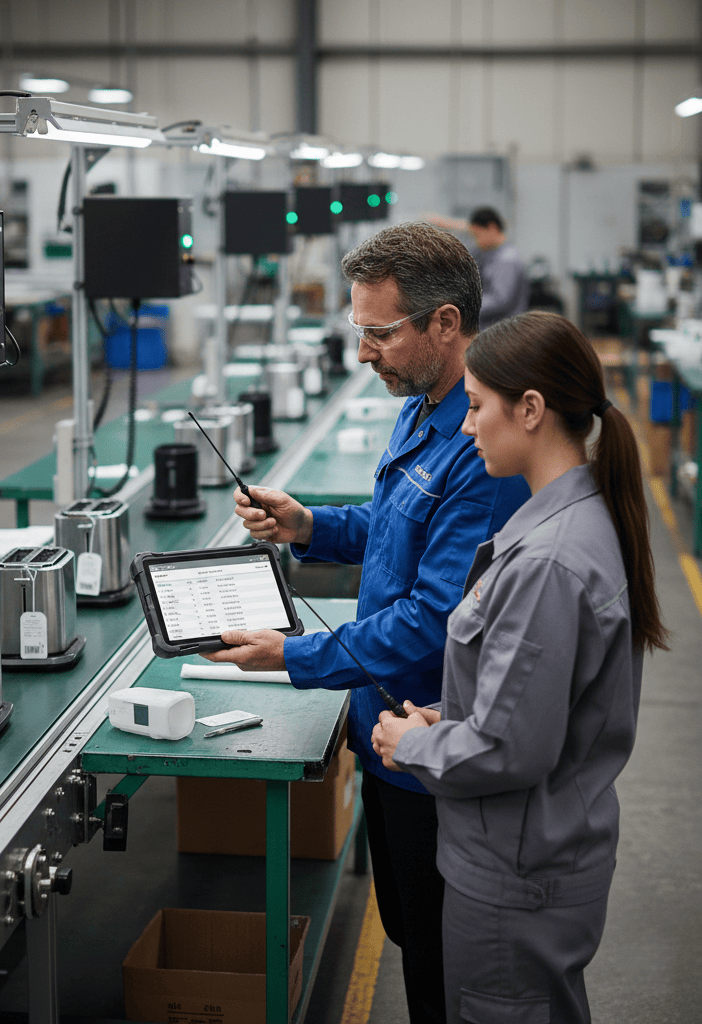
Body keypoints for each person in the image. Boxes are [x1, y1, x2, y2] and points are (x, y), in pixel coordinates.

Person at [203, 222, 531, 1024]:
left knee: (441, 960)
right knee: (414, 935)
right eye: (360, 332)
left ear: (445, 324)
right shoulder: (422, 403)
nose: (363, 353)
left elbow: (432, 619)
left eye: (380, 334)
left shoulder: (478, 446)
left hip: (431, 744)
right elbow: (395, 530)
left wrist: (297, 655)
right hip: (384, 729)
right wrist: (312, 525)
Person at [371, 310, 668, 1024]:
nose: (466, 428)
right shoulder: (576, 517)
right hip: (540, 849)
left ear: (530, 410)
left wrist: (411, 744)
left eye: (476, 407)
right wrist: (453, 715)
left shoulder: (550, 561)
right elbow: (538, 703)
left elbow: (510, 748)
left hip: (513, 871)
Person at [427, 207, 529, 329]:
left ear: (492, 228)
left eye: (477, 235)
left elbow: (499, 300)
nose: (476, 240)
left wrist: (462, 305)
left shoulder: (507, 260)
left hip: (502, 331)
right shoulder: (489, 252)